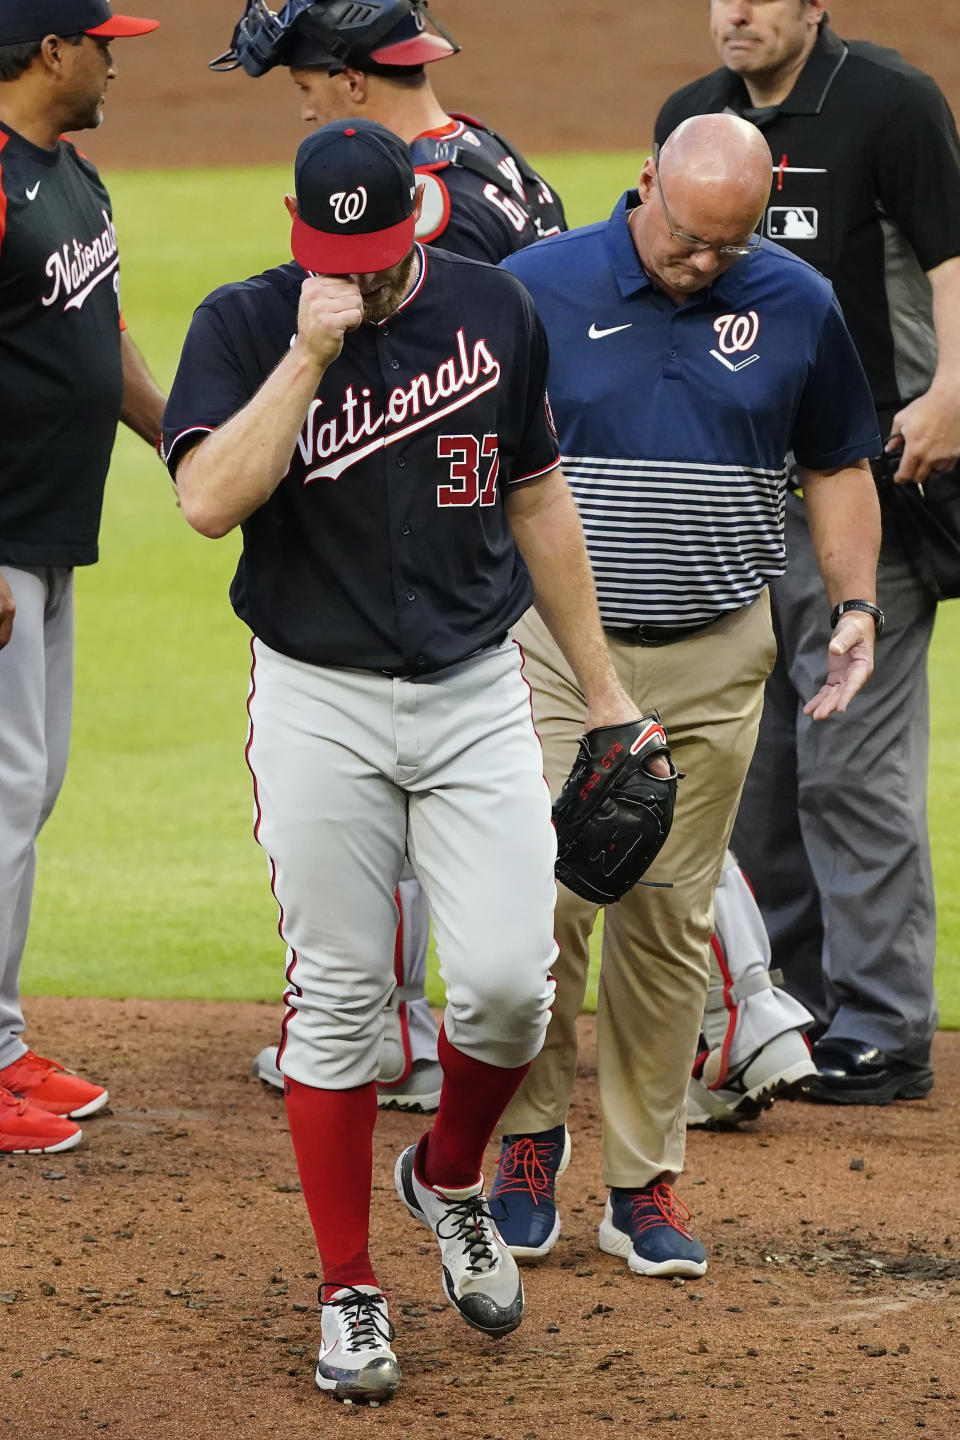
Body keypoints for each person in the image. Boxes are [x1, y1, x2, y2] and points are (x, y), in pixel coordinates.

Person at [161, 117, 645, 1405]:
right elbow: (210, 501)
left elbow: (538, 492)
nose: (366, 279)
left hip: (475, 688)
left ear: (421, 216)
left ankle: (447, 1175)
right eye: (340, 257)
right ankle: (349, 1290)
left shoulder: (494, 310)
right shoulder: (246, 322)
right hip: (316, 697)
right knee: (338, 1005)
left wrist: (604, 696)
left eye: (380, 257)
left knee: (506, 986)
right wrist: (312, 353)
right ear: (296, 225)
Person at [488, 113, 883, 1275]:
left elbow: (837, 464)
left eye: (728, 246)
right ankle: (525, 1142)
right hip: (558, 649)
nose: (702, 263)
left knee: (669, 918)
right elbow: (477, 459)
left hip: (716, 654)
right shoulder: (535, 286)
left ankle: (643, 1179)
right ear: (645, 180)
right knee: (542, 909)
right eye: (686, 237)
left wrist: (855, 605)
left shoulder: (798, 299)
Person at [213, 0, 566, 1112]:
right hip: (535, 483)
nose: (303, 103)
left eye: (304, 83)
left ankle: (399, 1030)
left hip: (493, 505)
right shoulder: (492, 155)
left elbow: (428, 416)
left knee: (491, 793)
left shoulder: (435, 219)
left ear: (351, 78)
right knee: (607, 766)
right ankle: (737, 1002)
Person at [656, 0, 960, 1104]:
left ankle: (880, 1022)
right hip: (739, 496)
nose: (733, 11)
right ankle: (774, 1008)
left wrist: (952, 393)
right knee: (760, 771)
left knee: (850, 765)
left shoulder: (890, 104)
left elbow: (952, 262)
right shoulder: (692, 121)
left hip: (872, 487)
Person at [0, 0, 164, 1158]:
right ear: (51, 52)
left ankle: (4, 1042)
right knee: (3, 797)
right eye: (103, 41)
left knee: (31, 788)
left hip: (51, 532)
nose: (116, 60)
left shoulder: (74, 182)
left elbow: (99, 340)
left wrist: (186, 439)